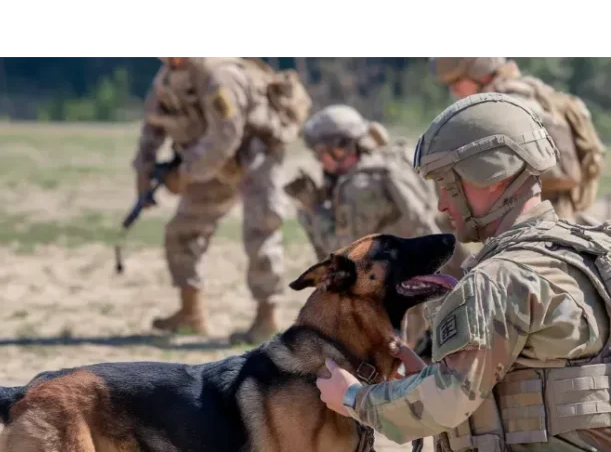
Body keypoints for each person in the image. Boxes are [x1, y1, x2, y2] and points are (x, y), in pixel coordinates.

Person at [316, 92, 611, 452]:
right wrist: (429, 375)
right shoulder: (589, 249)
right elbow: (541, 384)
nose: (443, 205)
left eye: (450, 184)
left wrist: (354, 399)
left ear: (491, 173)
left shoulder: (498, 279)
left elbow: (438, 409)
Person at [132, 55, 311, 344]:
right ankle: (191, 313)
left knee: (261, 230)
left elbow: (226, 136)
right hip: (212, 161)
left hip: (256, 153)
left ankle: (267, 318)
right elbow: (153, 126)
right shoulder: (168, 76)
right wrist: (143, 168)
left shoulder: (219, 75)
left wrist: (186, 172)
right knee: (183, 230)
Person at [284, 104, 470, 349]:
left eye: (321, 154)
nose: (320, 162)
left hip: (411, 290)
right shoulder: (394, 158)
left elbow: (344, 255)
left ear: (340, 148)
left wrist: (314, 209)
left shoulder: (359, 187)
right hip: (438, 269)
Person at [431, 56, 605, 221]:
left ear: (479, 75)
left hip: (542, 215)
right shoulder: (518, 94)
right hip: (539, 211)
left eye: (457, 81)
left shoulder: (506, 106)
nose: (453, 89)